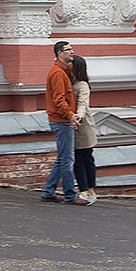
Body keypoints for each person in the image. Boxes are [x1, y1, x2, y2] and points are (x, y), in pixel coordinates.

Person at [41, 40, 89, 204]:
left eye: (72, 49)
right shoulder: (59, 74)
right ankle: (70, 195)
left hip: (61, 119)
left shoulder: (62, 72)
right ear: (60, 53)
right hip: (61, 121)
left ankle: (48, 192)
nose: (72, 52)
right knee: (68, 159)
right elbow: (59, 100)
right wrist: (70, 116)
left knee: (62, 158)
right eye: (68, 50)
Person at [71, 53, 98, 203]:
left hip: (83, 125)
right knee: (81, 159)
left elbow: (83, 103)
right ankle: (87, 190)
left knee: (83, 159)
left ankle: (87, 190)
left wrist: (78, 116)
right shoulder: (70, 82)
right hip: (76, 123)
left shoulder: (82, 85)